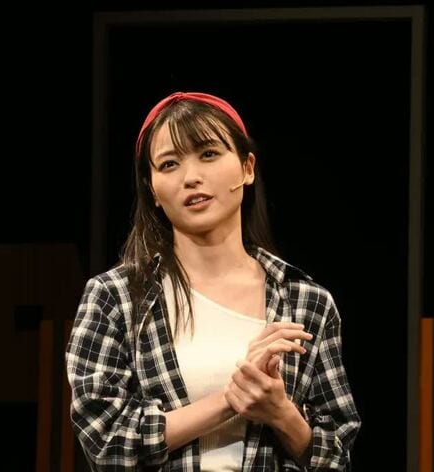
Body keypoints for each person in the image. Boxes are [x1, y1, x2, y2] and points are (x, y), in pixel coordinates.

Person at [65, 91, 360, 471]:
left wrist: (281, 412)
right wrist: (231, 398)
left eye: (208, 154)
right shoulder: (115, 297)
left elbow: (336, 457)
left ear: (247, 168)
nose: (191, 177)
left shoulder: (306, 302)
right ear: (153, 190)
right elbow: (106, 442)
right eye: (169, 164)